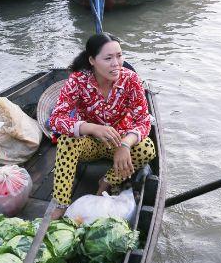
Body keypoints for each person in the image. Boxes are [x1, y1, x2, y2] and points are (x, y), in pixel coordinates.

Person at [46, 33, 156, 218]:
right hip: (89, 143)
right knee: (66, 141)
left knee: (147, 149)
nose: (116, 63)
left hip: (118, 141)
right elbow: (57, 119)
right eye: (108, 58)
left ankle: (107, 181)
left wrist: (125, 144)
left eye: (119, 56)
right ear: (92, 60)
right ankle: (61, 204)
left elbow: (143, 120)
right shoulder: (78, 80)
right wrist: (91, 127)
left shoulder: (131, 80)